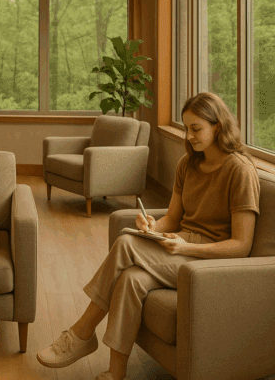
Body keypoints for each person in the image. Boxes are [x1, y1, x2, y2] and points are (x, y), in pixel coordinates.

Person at [37, 92, 260, 380]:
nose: (190, 136)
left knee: (126, 243)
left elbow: (241, 246)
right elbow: (173, 218)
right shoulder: (187, 165)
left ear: (218, 126)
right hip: (182, 246)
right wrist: (153, 227)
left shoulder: (239, 171)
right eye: (186, 128)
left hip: (210, 263)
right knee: (131, 279)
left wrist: (185, 248)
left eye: (196, 129)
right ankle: (115, 373)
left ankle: (82, 331)